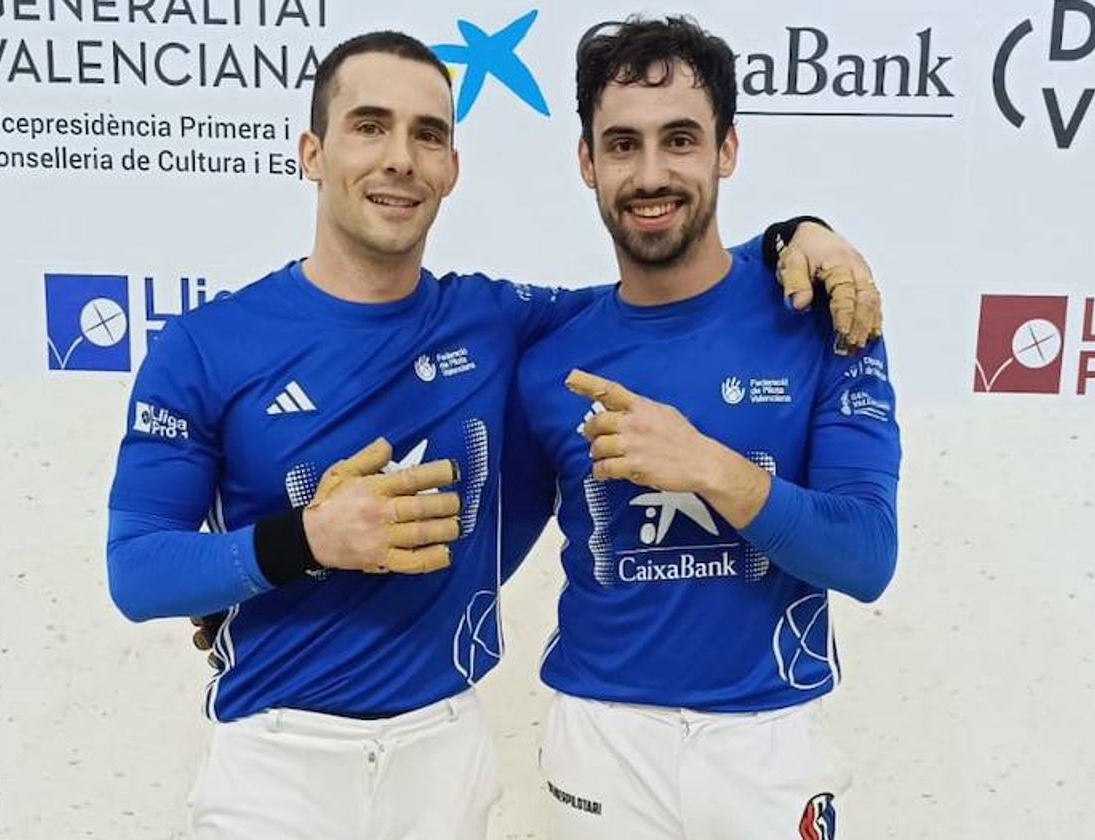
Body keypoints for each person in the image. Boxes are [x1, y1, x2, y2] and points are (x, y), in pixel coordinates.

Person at [107, 29, 885, 840]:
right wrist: (295, 545)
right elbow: (135, 571)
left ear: (452, 167)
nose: (401, 158)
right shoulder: (203, 345)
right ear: (311, 152)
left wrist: (796, 232)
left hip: (446, 752)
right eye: (370, 126)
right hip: (272, 758)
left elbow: (662, 288)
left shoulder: (496, 322)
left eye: (428, 134)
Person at [512, 17, 901, 840]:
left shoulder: (822, 313)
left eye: (680, 139)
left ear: (727, 149)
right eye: (621, 145)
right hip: (598, 744)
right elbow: (475, 551)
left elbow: (866, 557)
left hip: (769, 746)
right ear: (587, 162)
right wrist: (271, 592)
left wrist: (709, 467)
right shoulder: (551, 353)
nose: (651, 173)